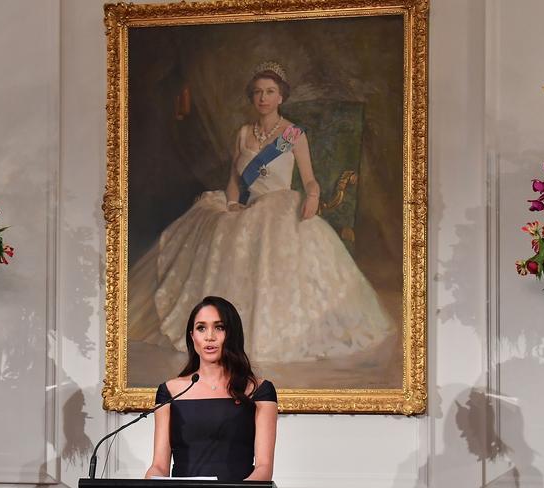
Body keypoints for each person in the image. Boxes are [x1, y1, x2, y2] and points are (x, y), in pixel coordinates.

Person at [129, 61, 393, 362]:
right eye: (257, 92)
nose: (263, 98)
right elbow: (233, 181)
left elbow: (309, 178)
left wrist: (314, 195)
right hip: (246, 207)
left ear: (281, 97)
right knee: (219, 232)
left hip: (280, 208)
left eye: (270, 92)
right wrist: (230, 206)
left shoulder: (293, 135)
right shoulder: (242, 134)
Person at [145, 296, 278, 481]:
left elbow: (264, 468)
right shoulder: (170, 391)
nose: (209, 337)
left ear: (232, 334)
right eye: (201, 328)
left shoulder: (259, 390)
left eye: (219, 327)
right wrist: (150, 480)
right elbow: (158, 465)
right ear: (192, 336)